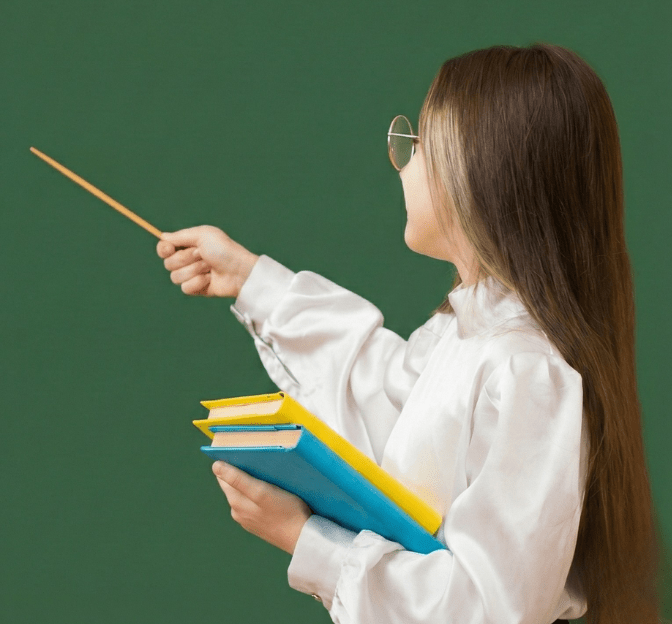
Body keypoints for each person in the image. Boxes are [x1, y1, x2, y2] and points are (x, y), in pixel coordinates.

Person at [156, 43, 662, 624]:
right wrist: (250, 279)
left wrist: (308, 542)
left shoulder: (524, 370)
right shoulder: (466, 335)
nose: (403, 162)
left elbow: (489, 606)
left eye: (420, 145)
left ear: (481, 174)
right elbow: (384, 399)